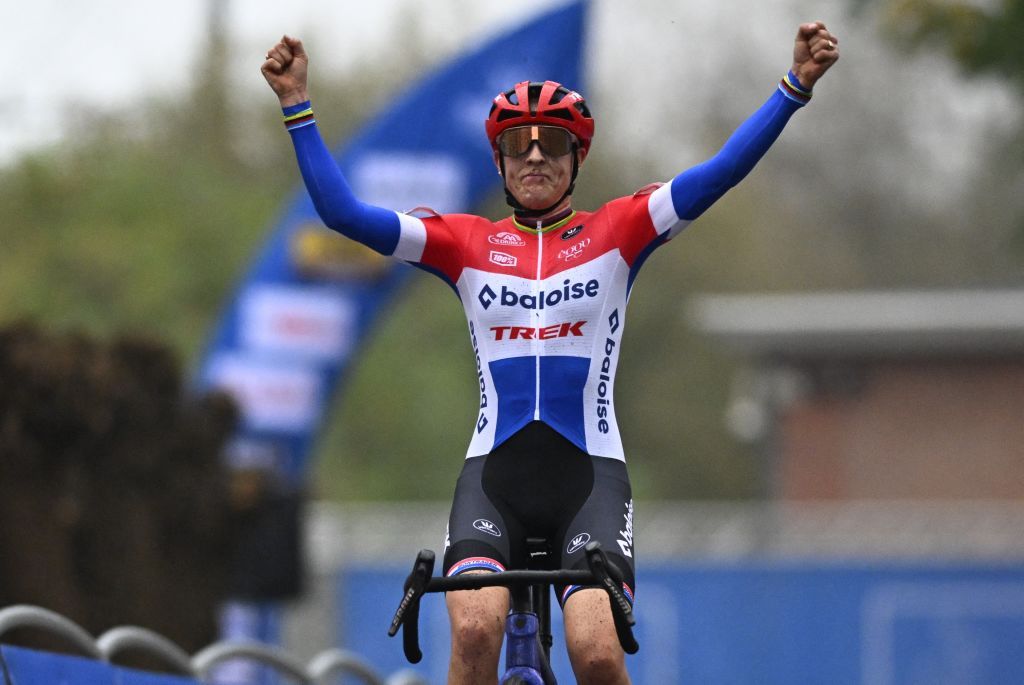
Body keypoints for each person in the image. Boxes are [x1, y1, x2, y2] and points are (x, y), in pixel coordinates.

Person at [262, 20, 838, 685]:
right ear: (500, 163)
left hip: (588, 476)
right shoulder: (463, 241)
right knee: (475, 630)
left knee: (595, 653)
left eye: (554, 144)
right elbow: (342, 214)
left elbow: (719, 174)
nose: (536, 157)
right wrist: (296, 105)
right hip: (493, 477)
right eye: (518, 146)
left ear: (576, 159)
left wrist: (793, 87)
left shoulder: (620, 229)